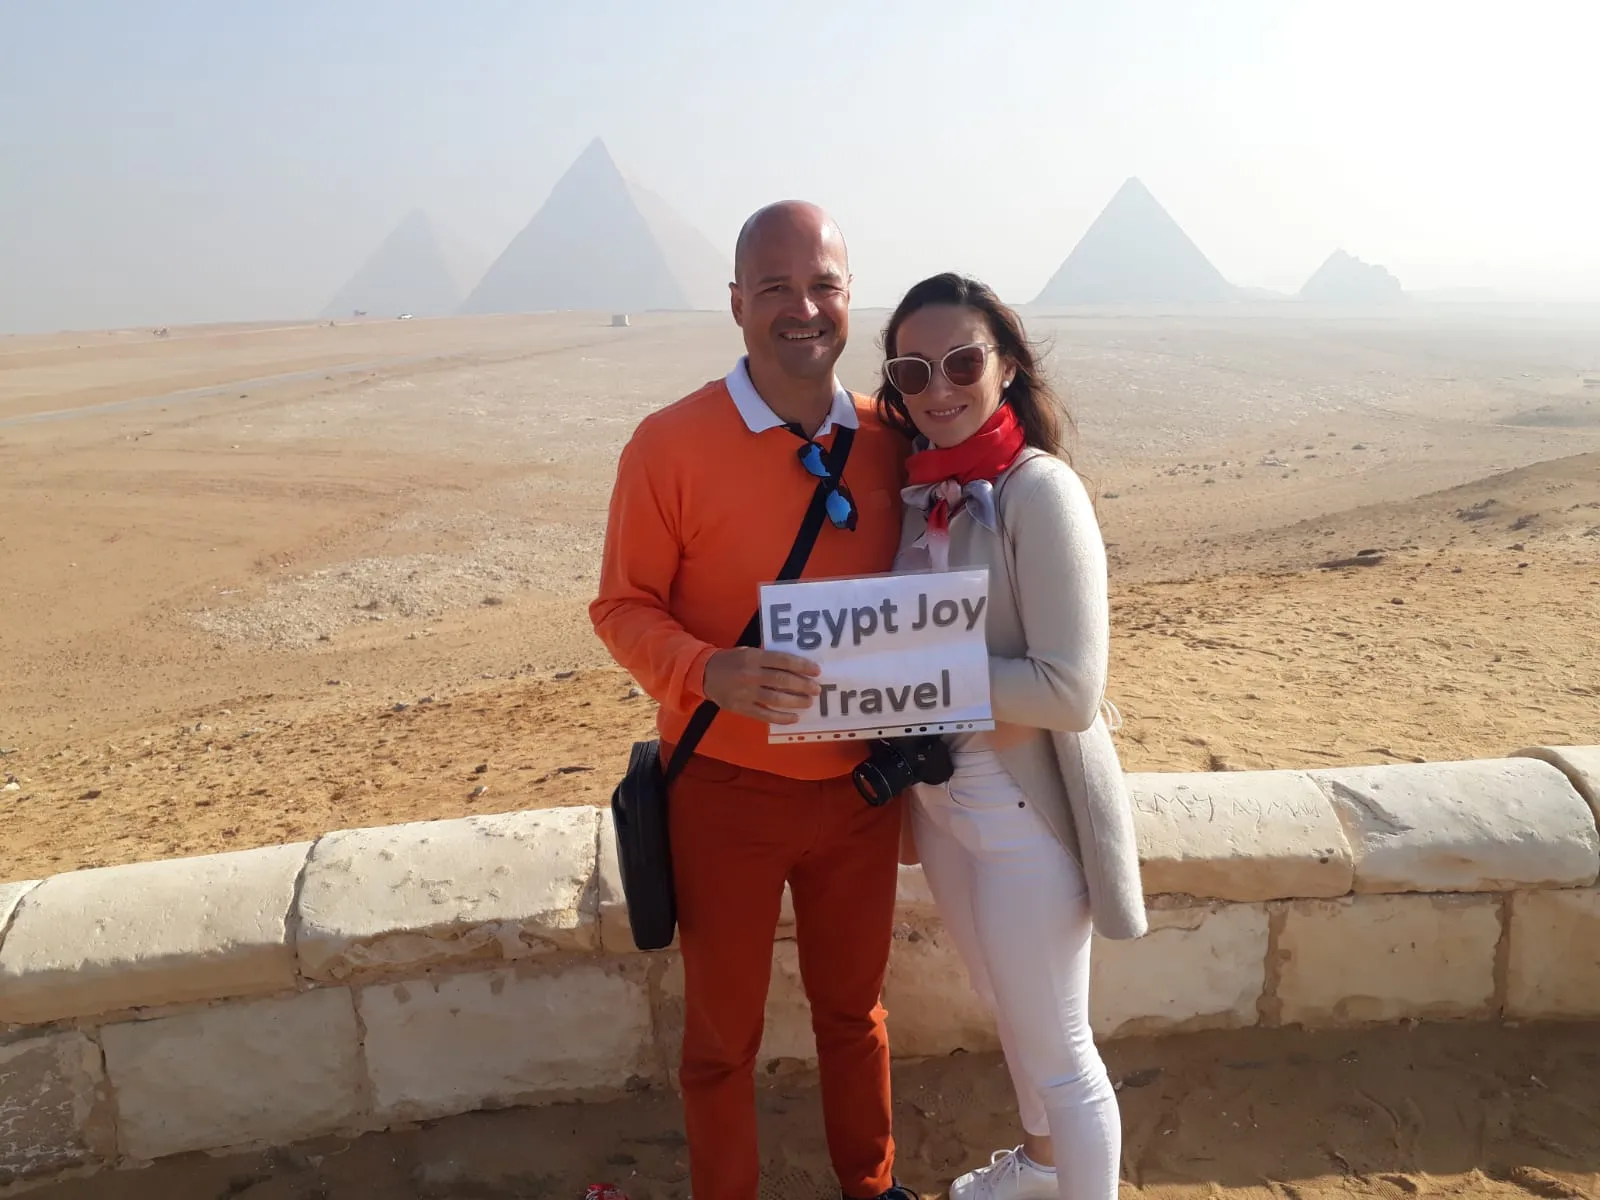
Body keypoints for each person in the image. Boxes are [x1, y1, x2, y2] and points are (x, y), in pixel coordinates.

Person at [589, 201, 917, 1200]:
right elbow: (621, 607)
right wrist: (708, 670)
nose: (802, 309)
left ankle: (871, 1186)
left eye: (823, 286)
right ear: (737, 303)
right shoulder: (668, 445)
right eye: (776, 288)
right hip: (725, 794)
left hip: (860, 791)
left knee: (854, 1013)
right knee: (721, 1041)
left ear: (850, 298)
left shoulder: (891, 438)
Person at [877, 273, 1148, 1200]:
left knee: (1062, 1050)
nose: (938, 388)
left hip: (1022, 809)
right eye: (913, 372)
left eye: (962, 362)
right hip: (944, 805)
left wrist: (913, 676)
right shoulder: (922, 491)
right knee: (1005, 1004)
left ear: (1007, 367)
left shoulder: (1040, 492)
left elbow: (1069, 690)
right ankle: (1040, 1169)